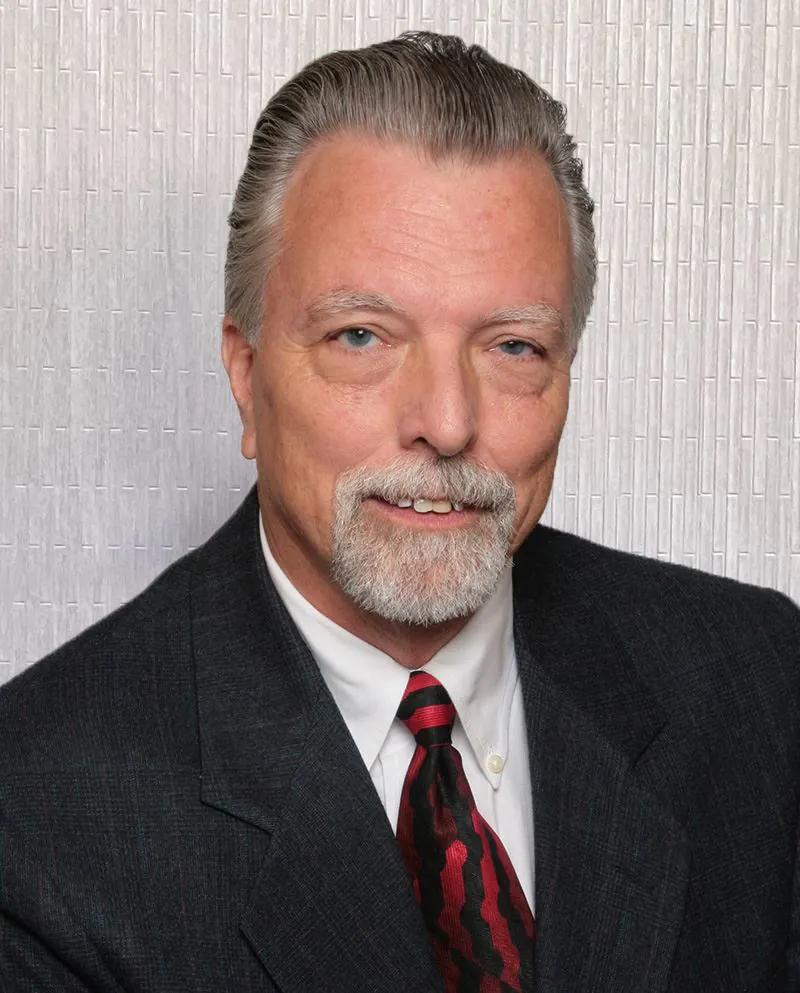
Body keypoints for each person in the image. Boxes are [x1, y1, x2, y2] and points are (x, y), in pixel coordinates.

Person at [0, 30, 797, 993]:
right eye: (362, 335)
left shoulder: (762, 684)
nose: (447, 423)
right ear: (247, 376)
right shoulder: (37, 813)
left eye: (512, 347)